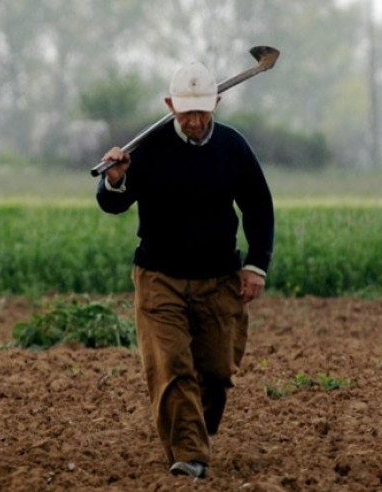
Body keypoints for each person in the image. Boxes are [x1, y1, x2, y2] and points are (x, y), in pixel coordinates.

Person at [95, 60, 275, 479]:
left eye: (202, 111)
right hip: (160, 278)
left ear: (216, 102)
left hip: (218, 279)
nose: (194, 122)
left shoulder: (233, 148)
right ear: (169, 105)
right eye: (186, 112)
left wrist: (256, 266)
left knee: (215, 373)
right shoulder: (147, 150)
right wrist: (116, 179)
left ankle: (192, 435)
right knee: (171, 366)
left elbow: (259, 208)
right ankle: (190, 455)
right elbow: (113, 203)